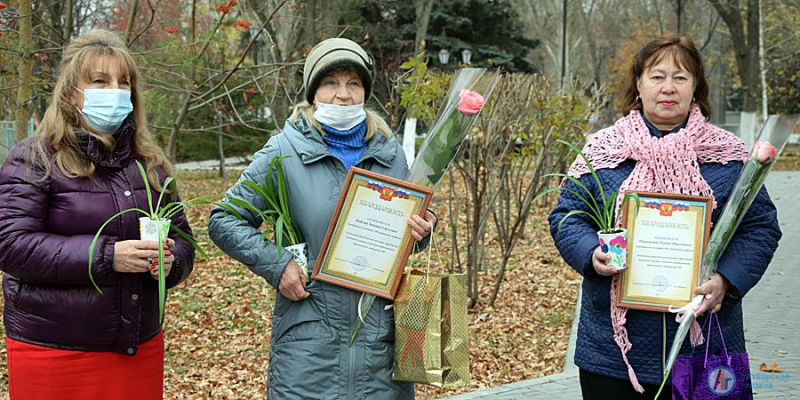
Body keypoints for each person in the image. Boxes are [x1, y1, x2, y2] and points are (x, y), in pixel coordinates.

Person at [548, 34, 781, 400]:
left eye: (681, 77)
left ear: (696, 88)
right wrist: (592, 253)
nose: (668, 88)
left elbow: (761, 227)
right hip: (612, 353)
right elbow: (567, 216)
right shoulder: (602, 150)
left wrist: (725, 279)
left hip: (706, 343)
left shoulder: (731, 157)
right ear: (638, 84)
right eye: (657, 76)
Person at [208, 37, 436, 399]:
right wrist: (277, 265)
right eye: (331, 83)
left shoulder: (390, 153)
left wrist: (423, 231)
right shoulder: (284, 151)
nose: (343, 95)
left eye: (353, 83)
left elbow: (408, 234)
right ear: (313, 92)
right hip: (308, 342)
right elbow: (224, 219)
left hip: (379, 344)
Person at [0, 30, 195, 399]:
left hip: (135, 346)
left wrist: (169, 262)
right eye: (100, 81)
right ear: (71, 91)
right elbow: (11, 246)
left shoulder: (150, 164)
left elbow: (184, 239)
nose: (116, 91)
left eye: (125, 82)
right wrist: (108, 256)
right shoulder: (34, 159)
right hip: (54, 349)